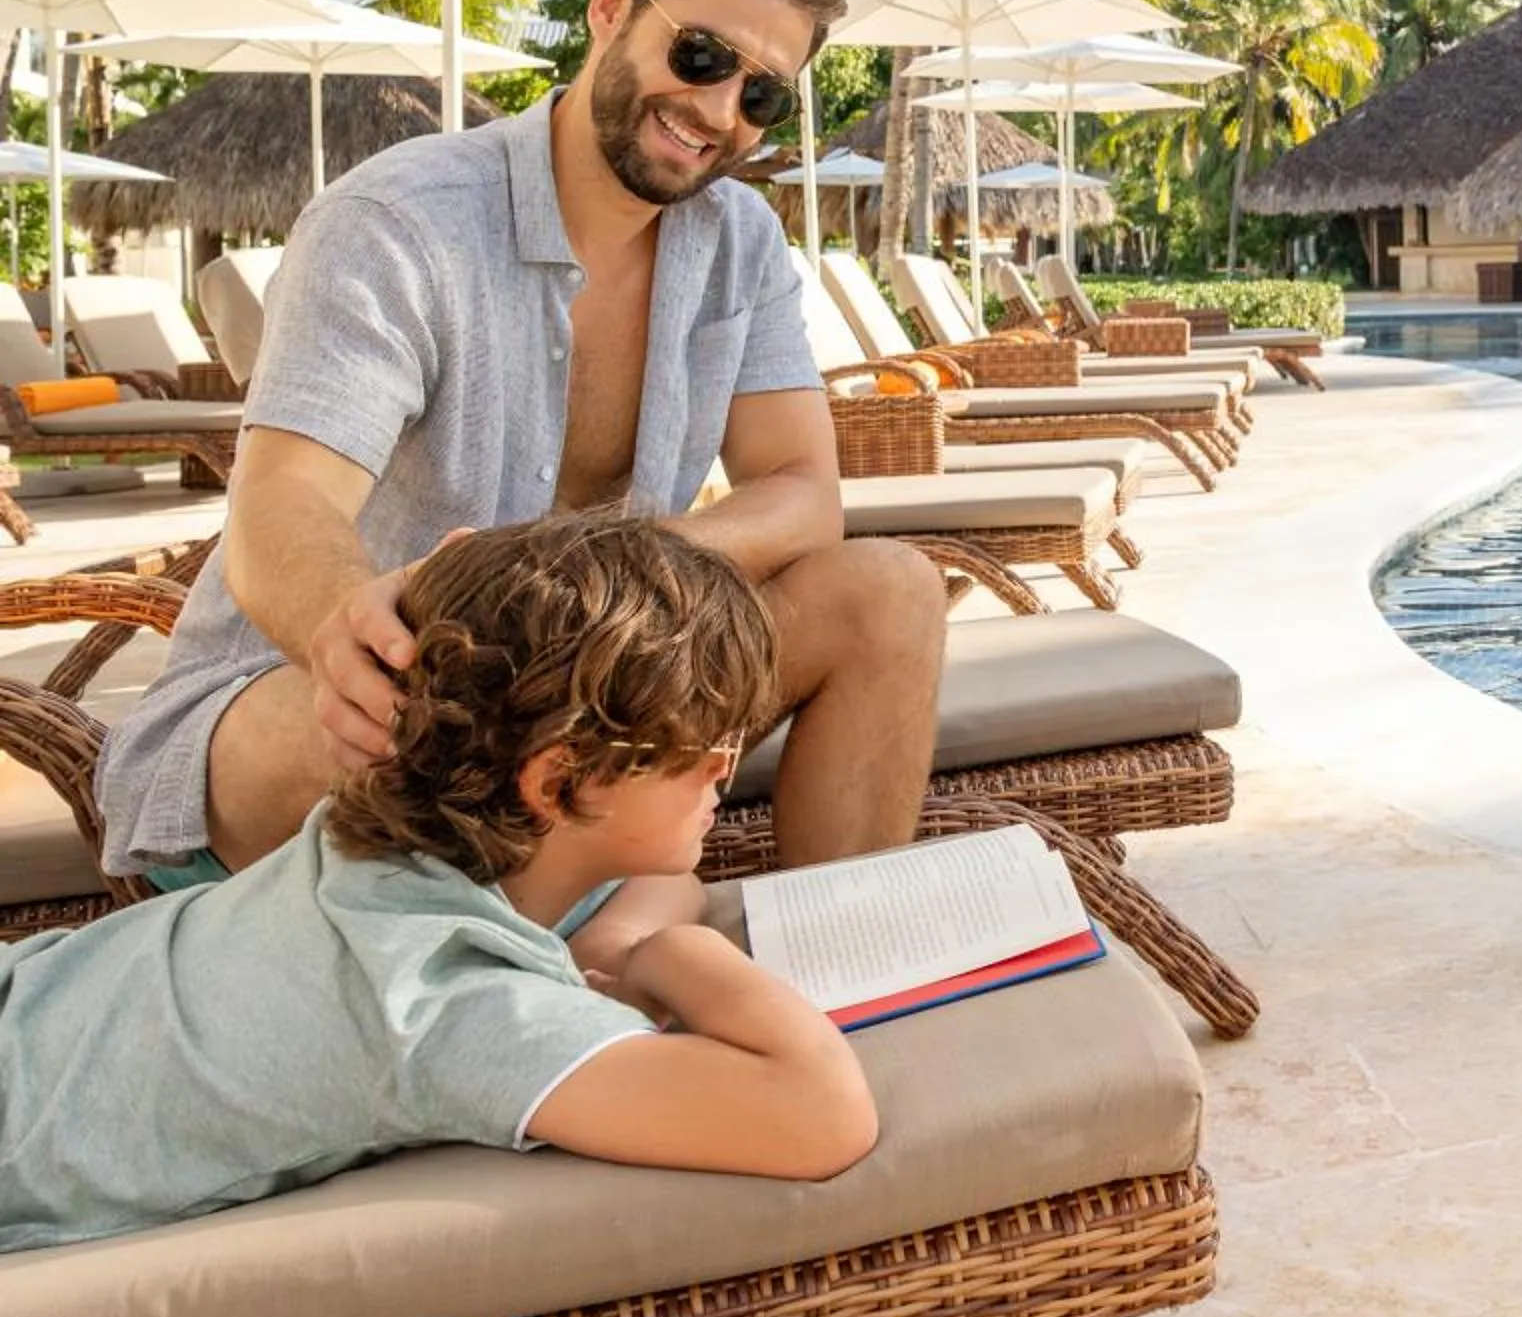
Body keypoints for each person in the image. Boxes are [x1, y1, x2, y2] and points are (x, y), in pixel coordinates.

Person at [95, 0, 945, 899]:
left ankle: (842, 972)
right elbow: (283, 499)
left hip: (600, 684)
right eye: (704, 56)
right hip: (345, 691)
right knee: (458, 716)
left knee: (889, 592)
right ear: (613, 6)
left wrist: (606, 578)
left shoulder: (739, 243)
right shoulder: (399, 222)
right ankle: (594, 963)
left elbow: (804, 490)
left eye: (762, 97)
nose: (720, 112)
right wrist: (348, 622)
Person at [0, 514, 879, 1252]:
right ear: (557, 783)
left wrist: (621, 941)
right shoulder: (443, 1007)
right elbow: (823, 1116)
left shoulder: (367, 840)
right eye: (705, 747)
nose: (727, 769)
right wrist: (675, 952)